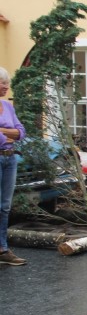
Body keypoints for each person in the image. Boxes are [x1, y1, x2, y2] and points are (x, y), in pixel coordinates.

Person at [0, 67, 27, 266]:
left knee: (5, 207)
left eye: (7, 83)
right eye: (2, 83)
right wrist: (8, 135)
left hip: (10, 159)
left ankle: (2, 249)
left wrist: (6, 132)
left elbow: (21, 132)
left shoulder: (7, 107)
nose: (6, 87)